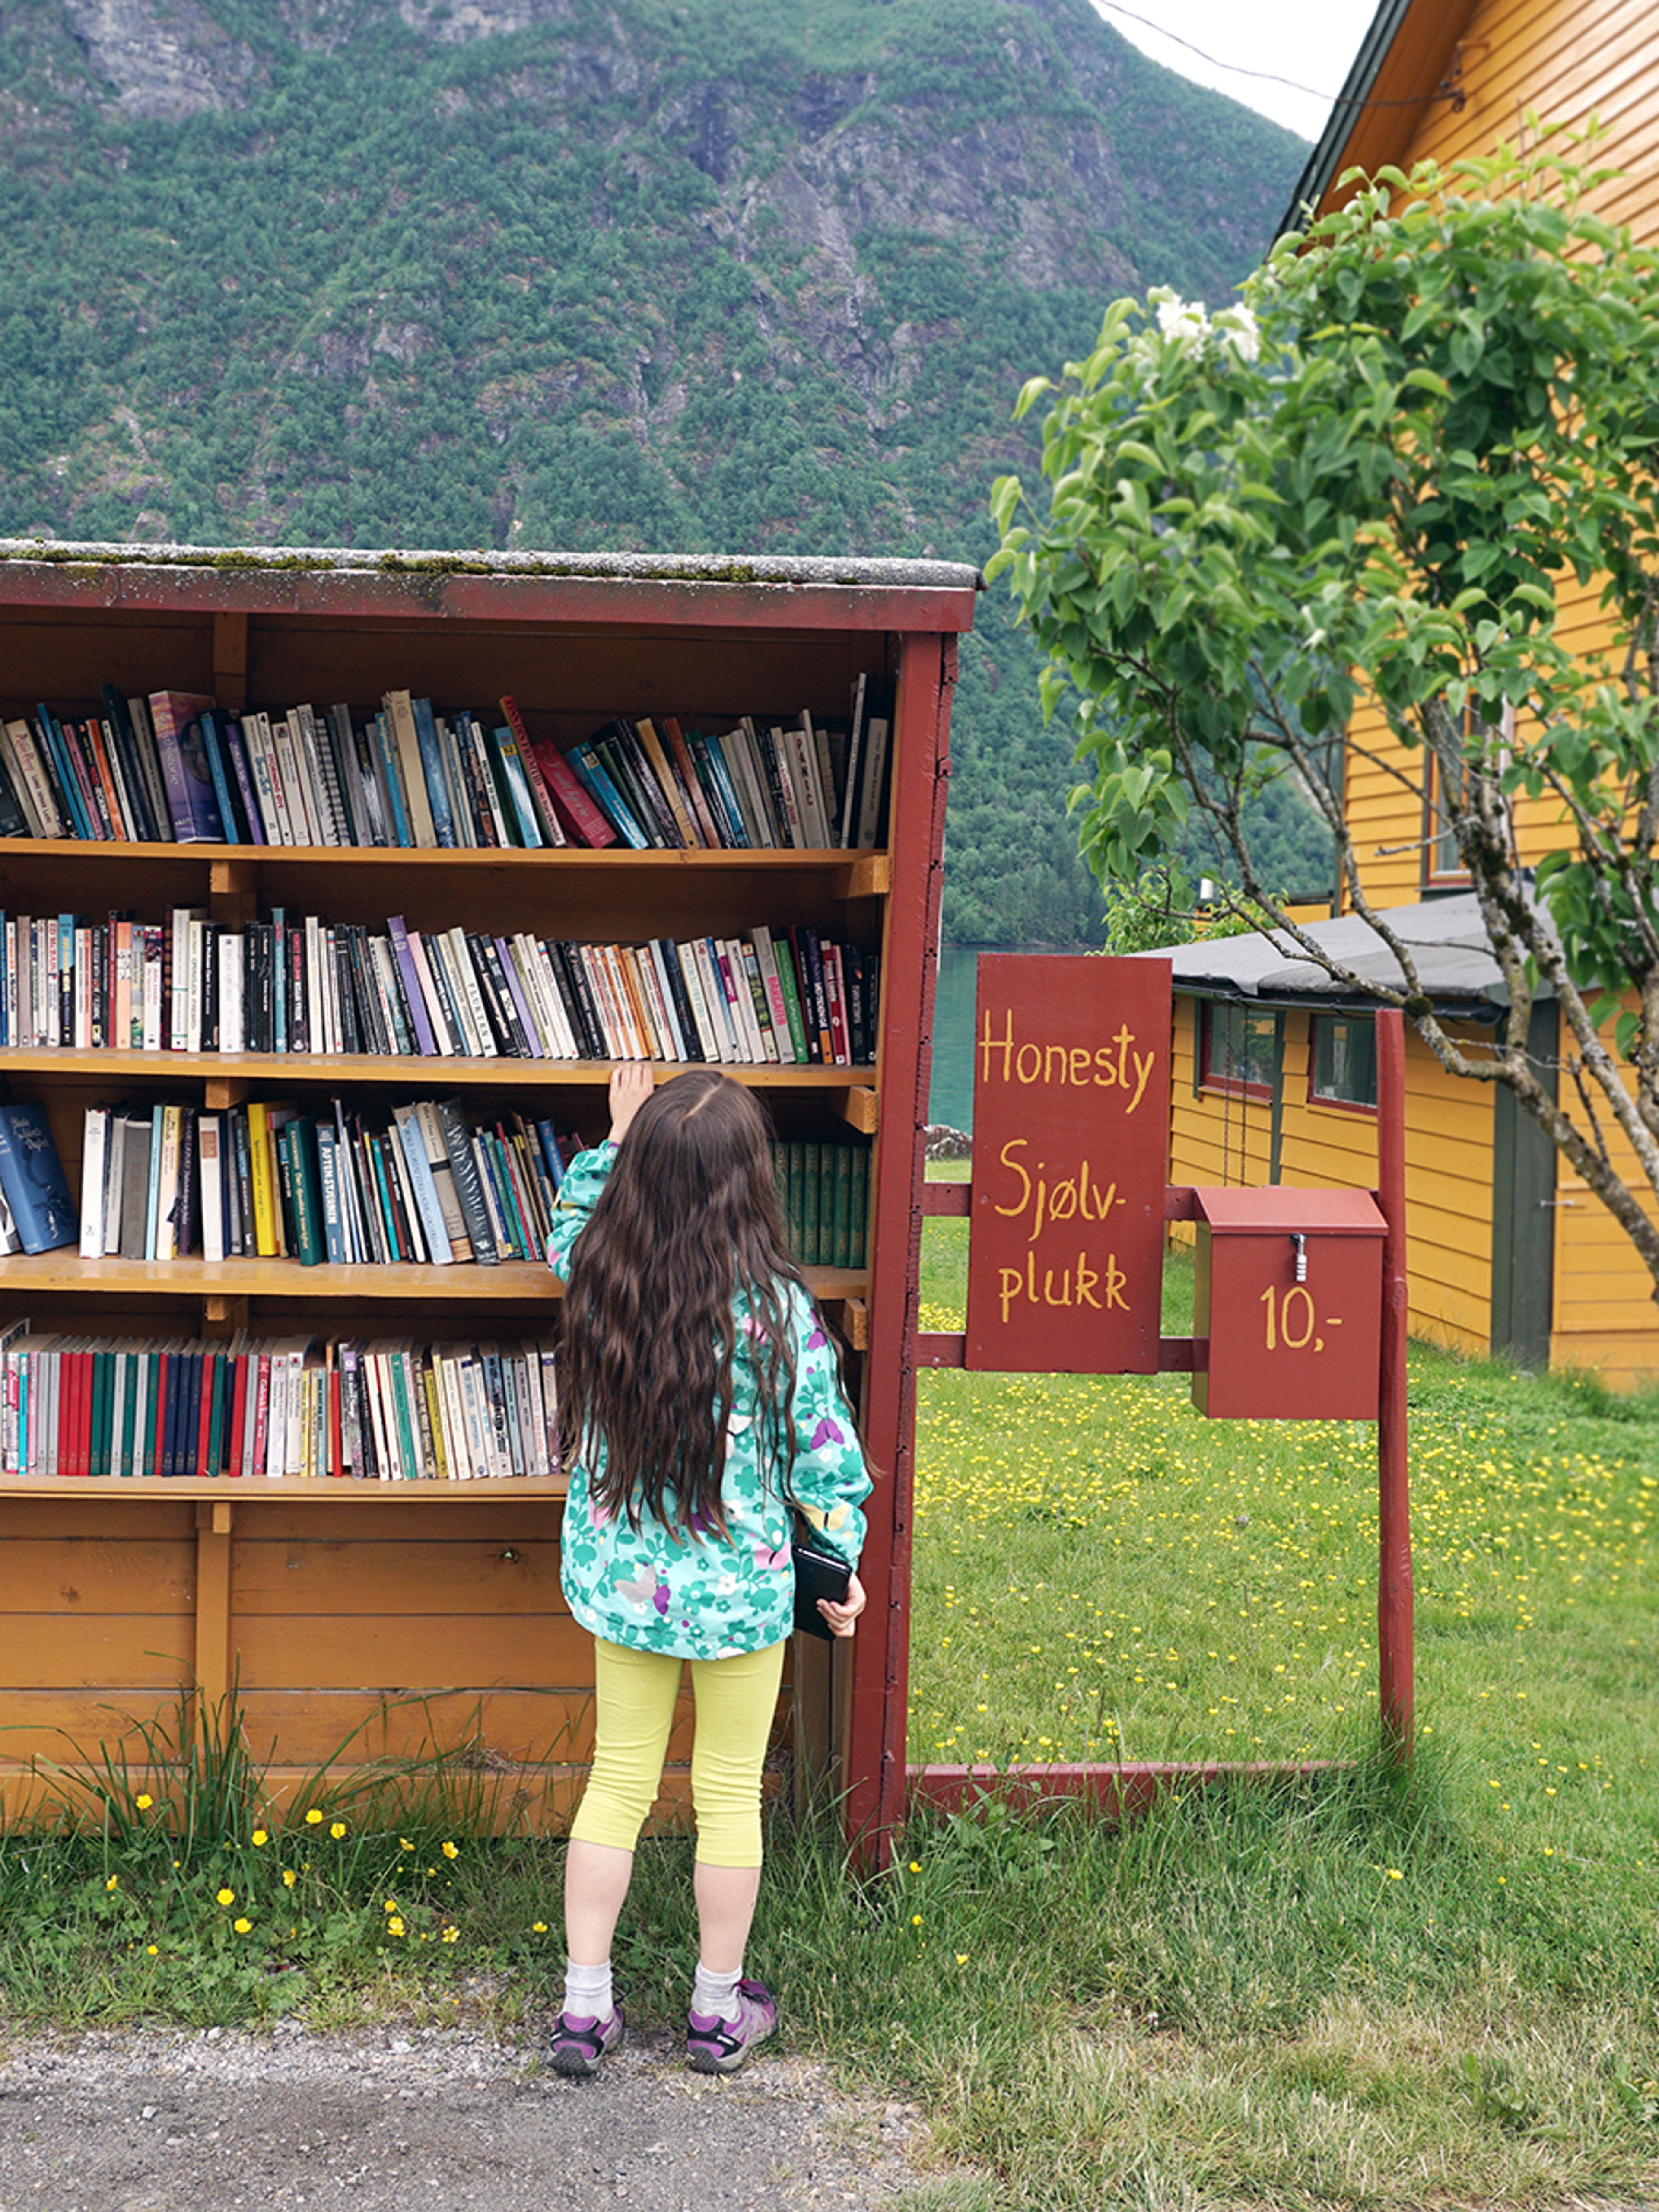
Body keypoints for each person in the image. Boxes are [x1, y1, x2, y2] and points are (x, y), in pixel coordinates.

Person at [546, 1064, 870, 2079]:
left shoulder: (599, 1275)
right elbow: (826, 1462)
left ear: (638, 1175)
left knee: (617, 1784)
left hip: (626, 1592)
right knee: (729, 1795)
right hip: (740, 1601)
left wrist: (611, 1135)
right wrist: (841, 1562)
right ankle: (718, 2012)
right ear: (750, 1184)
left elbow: (565, 1225)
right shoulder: (778, 1312)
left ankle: (586, 2009)